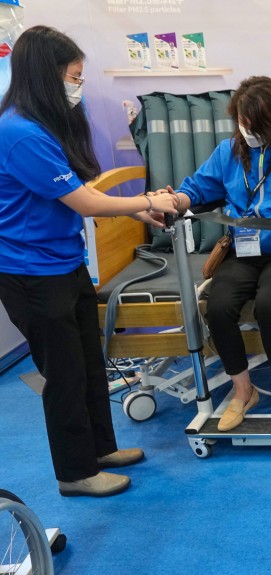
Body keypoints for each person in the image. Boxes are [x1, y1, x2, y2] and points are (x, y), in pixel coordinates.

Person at [0, 26, 178, 497]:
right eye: (74, 77)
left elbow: (77, 194)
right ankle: (76, 473)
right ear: (46, 74)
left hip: (62, 261)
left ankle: (101, 449)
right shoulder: (19, 132)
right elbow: (86, 204)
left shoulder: (39, 126)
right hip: (31, 273)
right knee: (63, 376)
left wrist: (139, 207)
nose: (78, 86)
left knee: (88, 364)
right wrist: (144, 201)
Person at [159, 76, 271, 434]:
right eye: (241, 121)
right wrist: (175, 201)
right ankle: (242, 391)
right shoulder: (228, 153)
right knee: (217, 306)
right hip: (242, 253)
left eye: (252, 123)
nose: (245, 129)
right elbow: (196, 189)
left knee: (268, 304)